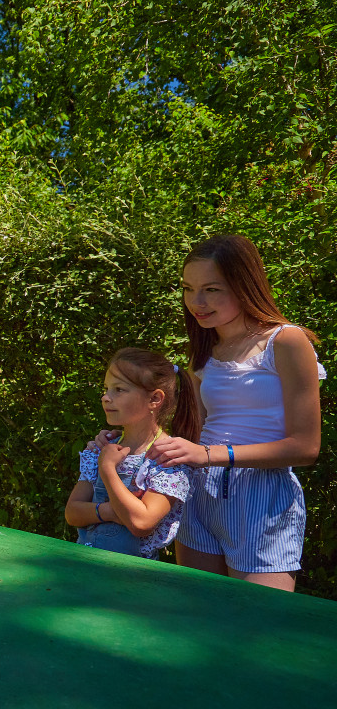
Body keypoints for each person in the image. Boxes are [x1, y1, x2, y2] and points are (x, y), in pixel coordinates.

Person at [139, 234, 325, 591]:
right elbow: (191, 436)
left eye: (211, 289)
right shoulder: (203, 352)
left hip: (262, 497)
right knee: (200, 622)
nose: (197, 301)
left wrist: (208, 454)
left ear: (244, 285)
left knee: (260, 630)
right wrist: (124, 442)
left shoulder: (285, 341)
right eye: (188, 288)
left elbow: (305, 447)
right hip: (198, 492)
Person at [66, 348, 195, 559]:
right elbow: (72, 512)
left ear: (154, 399)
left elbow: (141, 523)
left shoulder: (167, 459)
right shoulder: (101, 448)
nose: (106, 397)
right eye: (106, 388)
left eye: (119, 390)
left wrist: (107, 469)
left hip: (132, 576)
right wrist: (109, 511)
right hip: (85, 565)